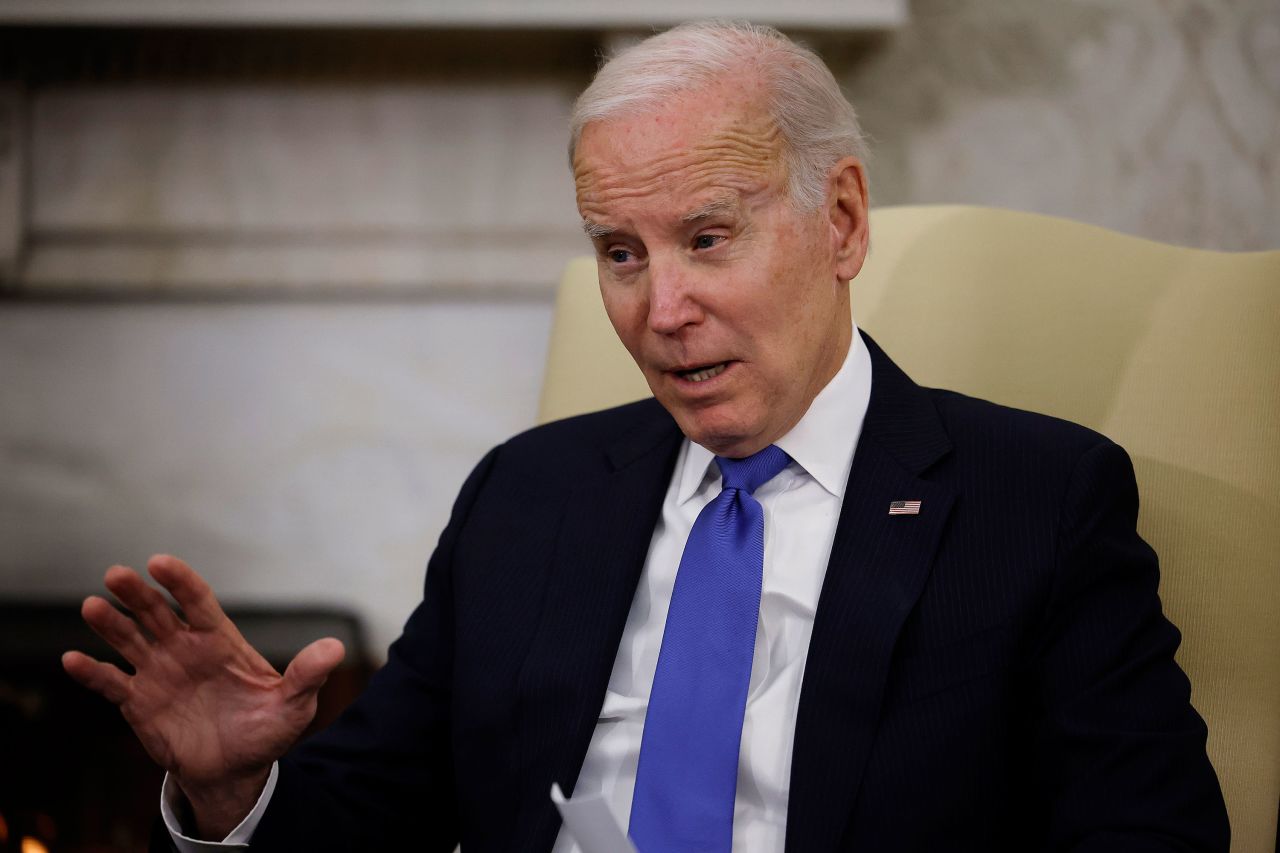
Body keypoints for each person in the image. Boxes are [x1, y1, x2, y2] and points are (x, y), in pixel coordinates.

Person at [63, 21, 1229, 853]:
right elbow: (371, 820)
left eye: (707, 238)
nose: (659, 309)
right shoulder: (528, 495)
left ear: (840, 221)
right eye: (620, 252)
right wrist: (233, 793)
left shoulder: (1035, 500)